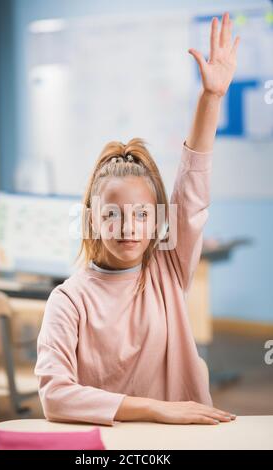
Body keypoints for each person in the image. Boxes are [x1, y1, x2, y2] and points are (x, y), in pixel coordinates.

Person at [35, 12, 240, 426]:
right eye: (113, 215)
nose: (129, 227)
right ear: (92, 219)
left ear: (159, 220)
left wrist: (211, 98)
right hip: (110, 445)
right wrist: (154, 408)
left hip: (183, 443)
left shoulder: (168, 267)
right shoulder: (69, 300)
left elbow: (193, 185)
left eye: (142, 214)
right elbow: (54, 395)